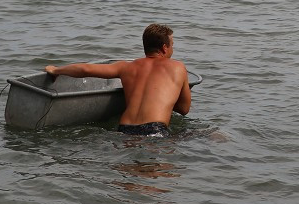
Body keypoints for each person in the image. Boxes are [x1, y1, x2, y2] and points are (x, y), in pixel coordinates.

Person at [44, 23, 190, 136]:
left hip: (124, 130)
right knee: (203, 135)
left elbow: (86, 69)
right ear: (165, 48)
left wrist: (56, 70)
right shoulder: (178, 67)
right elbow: (184, 109)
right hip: (154, 130)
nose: (172, 49)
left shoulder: (126, 67)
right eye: (172, 45)